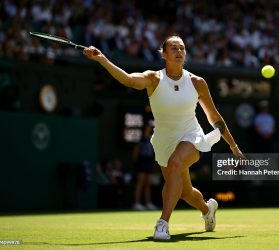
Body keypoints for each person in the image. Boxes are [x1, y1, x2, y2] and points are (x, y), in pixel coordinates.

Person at [83, 35, 245, 240]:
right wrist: (102, 59)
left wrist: (234, 146)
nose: (179, 51)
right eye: (174, 48)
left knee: (176, 162)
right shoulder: (153, 78)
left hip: (191, 136)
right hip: (164, 141)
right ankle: (207, 209)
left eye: (182, 48)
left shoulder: (197, 83)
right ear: (164, 54)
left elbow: (215, 117)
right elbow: (129, 80)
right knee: (185, 192)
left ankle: (163, 224)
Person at [132, 124, 158, 211]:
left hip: (148, 162)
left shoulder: (151, 138)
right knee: (140, 183)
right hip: (141, 162)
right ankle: (137, 203)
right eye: (148, 127)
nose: (149, 128)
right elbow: (136, 151)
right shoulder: (141, 139)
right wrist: (136, 163)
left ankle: (148, 203)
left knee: (147, 184)